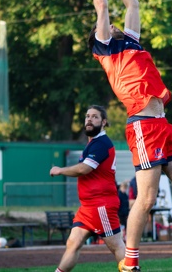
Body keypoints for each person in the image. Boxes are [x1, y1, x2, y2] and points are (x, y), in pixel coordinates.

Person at [88, 0, 172, 271]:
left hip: (163, 123)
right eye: (106, 26)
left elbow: (132, 3)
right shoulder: (106, 48)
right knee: (146, 199)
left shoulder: (131, 43)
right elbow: (102, 6)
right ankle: (130, 260)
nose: (113, 25)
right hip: (143, 126)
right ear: (98, 35)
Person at [50, 105, 125, 272]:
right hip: (88, 207)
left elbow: (84, 169)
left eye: (95, 117)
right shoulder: (92, 143)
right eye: (87, 116)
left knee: (117, 246)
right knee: (73, 243)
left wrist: (60, 170)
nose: (89, 119)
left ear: (104, 122)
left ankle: (132, 269)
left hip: (101, 204)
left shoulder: (101, 143)